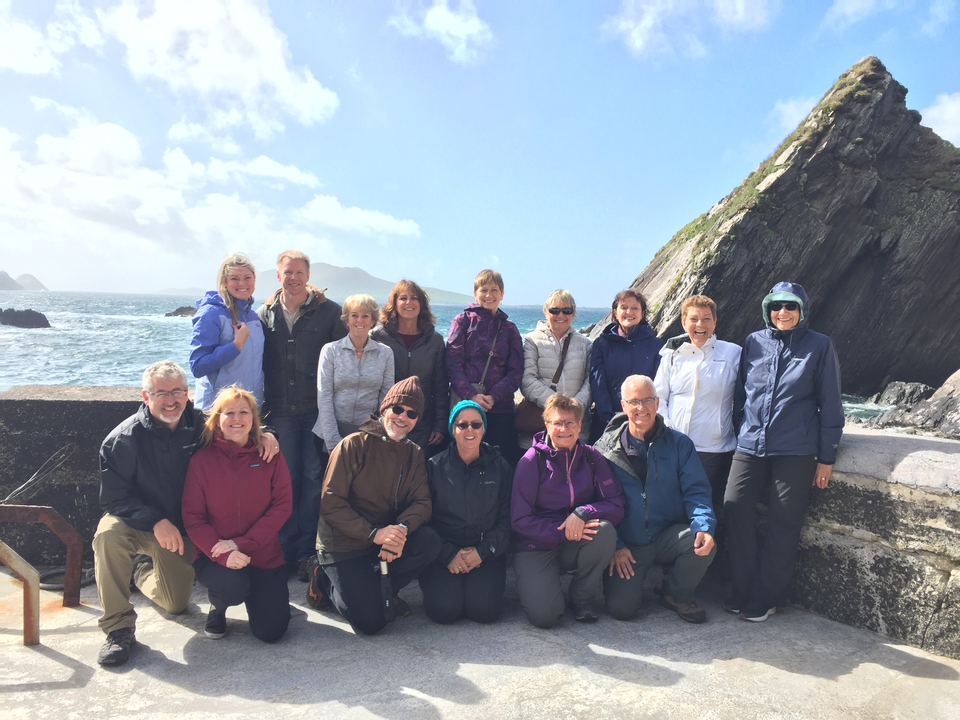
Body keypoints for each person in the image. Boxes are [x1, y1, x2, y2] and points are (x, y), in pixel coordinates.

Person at [93, 360, 278, 666]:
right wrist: (155, 520)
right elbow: (114, 498)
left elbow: (236, 423)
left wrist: (267, 434)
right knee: (107, 535)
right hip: (139, 522)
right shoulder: (121, 441)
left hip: (183, 530)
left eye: (178, 391)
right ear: (145, 396)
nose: (171, 400)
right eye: (161, 393)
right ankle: (118, 628)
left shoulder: (201, 426)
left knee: (177, 604)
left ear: (188, 392)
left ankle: (140, 570)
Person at [724, 282, 844, 622]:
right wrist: (741, 431)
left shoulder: (820, 346)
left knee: (784, 522)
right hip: (750, 445)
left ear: (802, 309)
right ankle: (743, 589)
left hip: (796, 450)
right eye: (776, 306)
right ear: (767, 309)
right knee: (734, 505)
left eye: (790, 306)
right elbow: (740, 395)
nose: (783, 312)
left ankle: (765, 597)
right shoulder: (753, 342)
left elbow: (831, 404)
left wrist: (827, 456)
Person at [308, 377, 442, 635]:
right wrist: (374, 534)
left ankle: (384, 589)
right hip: (344, 543)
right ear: (384, 409)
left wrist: (400, 530)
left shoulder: (414, 453)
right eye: (398, 409)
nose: (403, 417)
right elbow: (331, 503)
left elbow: (422, 502)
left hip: (382, 540)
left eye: (412, 413)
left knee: (429, 541)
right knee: (371, 623)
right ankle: (322, 578)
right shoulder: (353, 445)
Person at [594, 375, 717, 624]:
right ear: (623, 405)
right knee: (622, 610)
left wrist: (704, 526)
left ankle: (675, 593)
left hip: (667, 534)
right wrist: (615, 546)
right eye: (634, 401)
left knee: (702, 545)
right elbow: (595, 503)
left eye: (648, 400)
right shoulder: (603, 450)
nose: (641, 408)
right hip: (629, 544)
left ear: (657, 402)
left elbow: (697, 491)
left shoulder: (679, 444)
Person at [257, 250, 346, 582]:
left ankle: (309, 551)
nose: (292, 278)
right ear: (277, 276)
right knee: (284, 482)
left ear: (308, 276)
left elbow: (341, 360)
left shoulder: (330, 313)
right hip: (278, 412)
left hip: (314, 411)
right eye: (286, 272)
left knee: (312, 482)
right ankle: (283, 550)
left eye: (298, 272)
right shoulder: (264, 315)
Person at [182, 387, 292, 642]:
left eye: (244, 412)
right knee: (232, 587)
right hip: (217, 555)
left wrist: (241, 543)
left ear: (254, 418)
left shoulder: (270, 455)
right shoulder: (201, 461)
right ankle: (218, 607)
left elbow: (283, 506)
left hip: (264, 556)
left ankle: (264, 597)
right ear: (217, 419)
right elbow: (193, 518)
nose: (237, 419)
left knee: (271, 632)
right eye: (229, 412)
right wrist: (224, 554)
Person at [511, 395, 624, 627]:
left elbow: (616, 504)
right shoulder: (531, 461)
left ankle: (582, 597)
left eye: (570, 422)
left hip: (575, 539)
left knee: (604, 531)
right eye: (557, 423)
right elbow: (520, 519)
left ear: (580, 425)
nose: (564, 429)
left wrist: (583, 512)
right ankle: (545, 588)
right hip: (536, 545)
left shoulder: (593, 457)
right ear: (546, 425)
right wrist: (563, 530)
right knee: (545, 617)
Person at [419, 400, 513, 624]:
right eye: (462, 425)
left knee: (484, 611)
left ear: (484, 429)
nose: (469, 429)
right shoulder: (433, 467)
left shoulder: (501, 467)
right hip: (444, 553)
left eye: (476, 424)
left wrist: (483, 551)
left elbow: (508, 518)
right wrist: (448, 553)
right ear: (453, 430)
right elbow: (423, 517)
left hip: (486, 551)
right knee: (444, 611)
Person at [654, 295, 741, 512]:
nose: (700, 325)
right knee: (673, 505)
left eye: (706, 319)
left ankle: (706, 545)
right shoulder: (671, 356)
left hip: (714, 448)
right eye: (693, 319)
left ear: (715, 322)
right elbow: (657, 398)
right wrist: (669, 430)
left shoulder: (733, 354)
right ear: (684, 323)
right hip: (674, 445)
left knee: (704, 506)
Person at [446, 269, 523, 465]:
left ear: (502, 294)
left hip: (500, 408)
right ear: (475, 293)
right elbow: (452, 363)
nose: (489, 295)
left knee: (500, 463)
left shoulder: (509, 329)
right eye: (484, 290)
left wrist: (492, 397)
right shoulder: (462, 321)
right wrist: (471, 395)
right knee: (464, 461)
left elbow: (516, 370)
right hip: (466, 407)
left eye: (494, 290)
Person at [371, 280, 448, 458]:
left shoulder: (434, 340)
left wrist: (439, 425)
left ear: (421, 305)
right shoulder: (377, 336)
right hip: (386, 421)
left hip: (422, 423)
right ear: (394, 304)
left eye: (414, 298)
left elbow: (440, 386)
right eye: (403, 298)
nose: (408, 303)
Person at [312, 293, 394, 453]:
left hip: (368, 435)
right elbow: (324, 397)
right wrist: (333, 441)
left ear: (372, 321)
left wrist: (374, 434)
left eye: (365, 316)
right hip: (330, 434)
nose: (359, 320)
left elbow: (386, 400)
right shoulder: (330, 351)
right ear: (346, 320)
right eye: (354, 315)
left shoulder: (385, 354)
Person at [190, 253, 265, 410]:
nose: (242, 283)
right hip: (217, 411)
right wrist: (235, 345)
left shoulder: (253, 316)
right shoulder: (211, 314)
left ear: (254, 280)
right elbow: (198, 366)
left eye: (247, 278)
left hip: (249, 410)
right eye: (234, 278)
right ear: (224, 282)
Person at [519, 289, 592, 449]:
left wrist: (575, 408)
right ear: (546, 312)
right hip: (541, 428)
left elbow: (590, 381)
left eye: (567, 310)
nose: (561, 315)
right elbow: (527, 380)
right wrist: (558, 407)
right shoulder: (532, 340)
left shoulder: (585, 344)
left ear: (573, 313)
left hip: (576, 430)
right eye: (555, 310)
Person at [590, 289, 664, 440]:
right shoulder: (602, 344)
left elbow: (660, 386)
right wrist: (610, 420)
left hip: (644, 422)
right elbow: (598, 385)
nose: (629, 312)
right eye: (624, 307)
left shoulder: (656, 345)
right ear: (615, 313)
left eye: (635, 308)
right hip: (607, 424)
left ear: (642, 313)